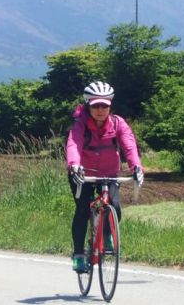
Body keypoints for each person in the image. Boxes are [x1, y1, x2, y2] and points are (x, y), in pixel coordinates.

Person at [65, 81, 145, 272]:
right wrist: (74, 166)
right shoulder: (80, 124)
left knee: (114, 206)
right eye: (95, 106)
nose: (100, 110)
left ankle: (107, 233)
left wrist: (136, 167)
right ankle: (78, 254)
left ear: (110, 105)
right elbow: (73, 144)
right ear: (88, 105)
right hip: (82, 174)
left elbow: (129, 145)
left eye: (104, 106)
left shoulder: (118, 123)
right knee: (83, 210)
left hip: (109, 173)